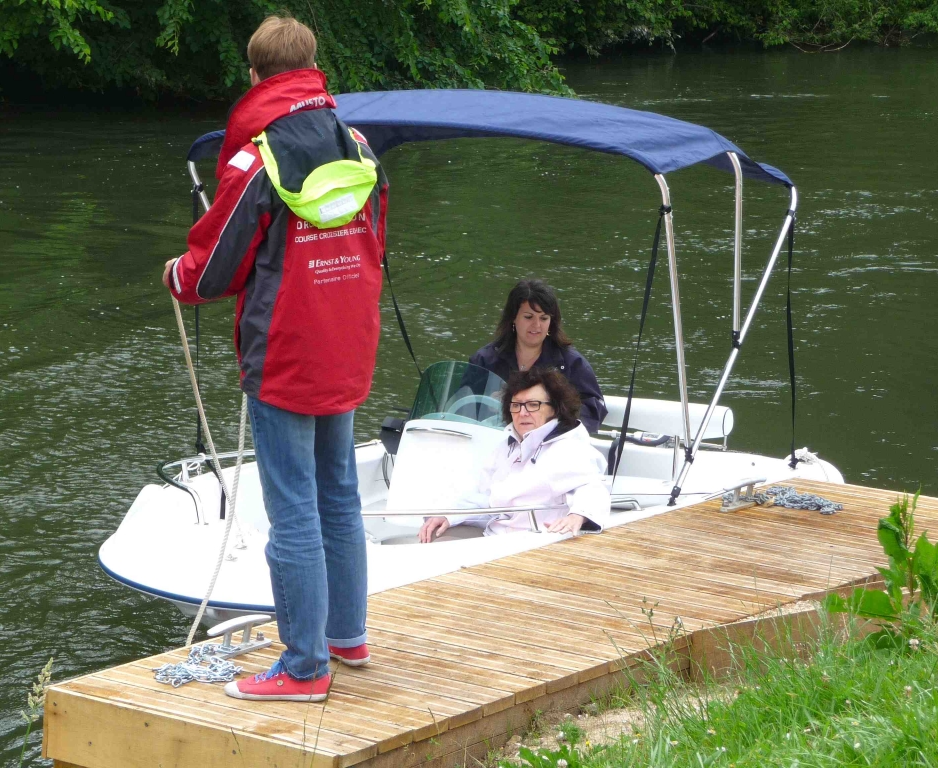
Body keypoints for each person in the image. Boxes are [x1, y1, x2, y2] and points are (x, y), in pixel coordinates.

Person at [162, 14, 388, 703]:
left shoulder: (254, 156)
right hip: (348, 336)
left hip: (288, 348)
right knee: (339, 494)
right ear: (314, 67)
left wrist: (176, 274)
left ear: (254, 76)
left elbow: (214, 269)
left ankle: (303, 667)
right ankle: (347, 636)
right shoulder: (357, 143)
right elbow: (379, 238)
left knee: (292, 509)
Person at [418, 368, 610, 542]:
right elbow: (488, 499)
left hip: (536, 541)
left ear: (554, 408)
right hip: (494, 536)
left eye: (533, 405)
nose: (523, 413)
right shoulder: (506, 447)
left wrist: (578, 515)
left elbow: (592, 487)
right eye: (516, 405)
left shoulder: (569, 449)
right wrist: (449, 515)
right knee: (431, 537)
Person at [470, 279, 607, 433]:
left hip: (549, 448)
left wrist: (557, 426)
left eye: (544, 318)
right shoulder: (483, 360)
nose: (536, 325)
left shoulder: (572, 364)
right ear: (513, 318)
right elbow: (463, 406)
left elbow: (593, 408)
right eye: (529, 317)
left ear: (551, 322)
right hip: (491, 443)